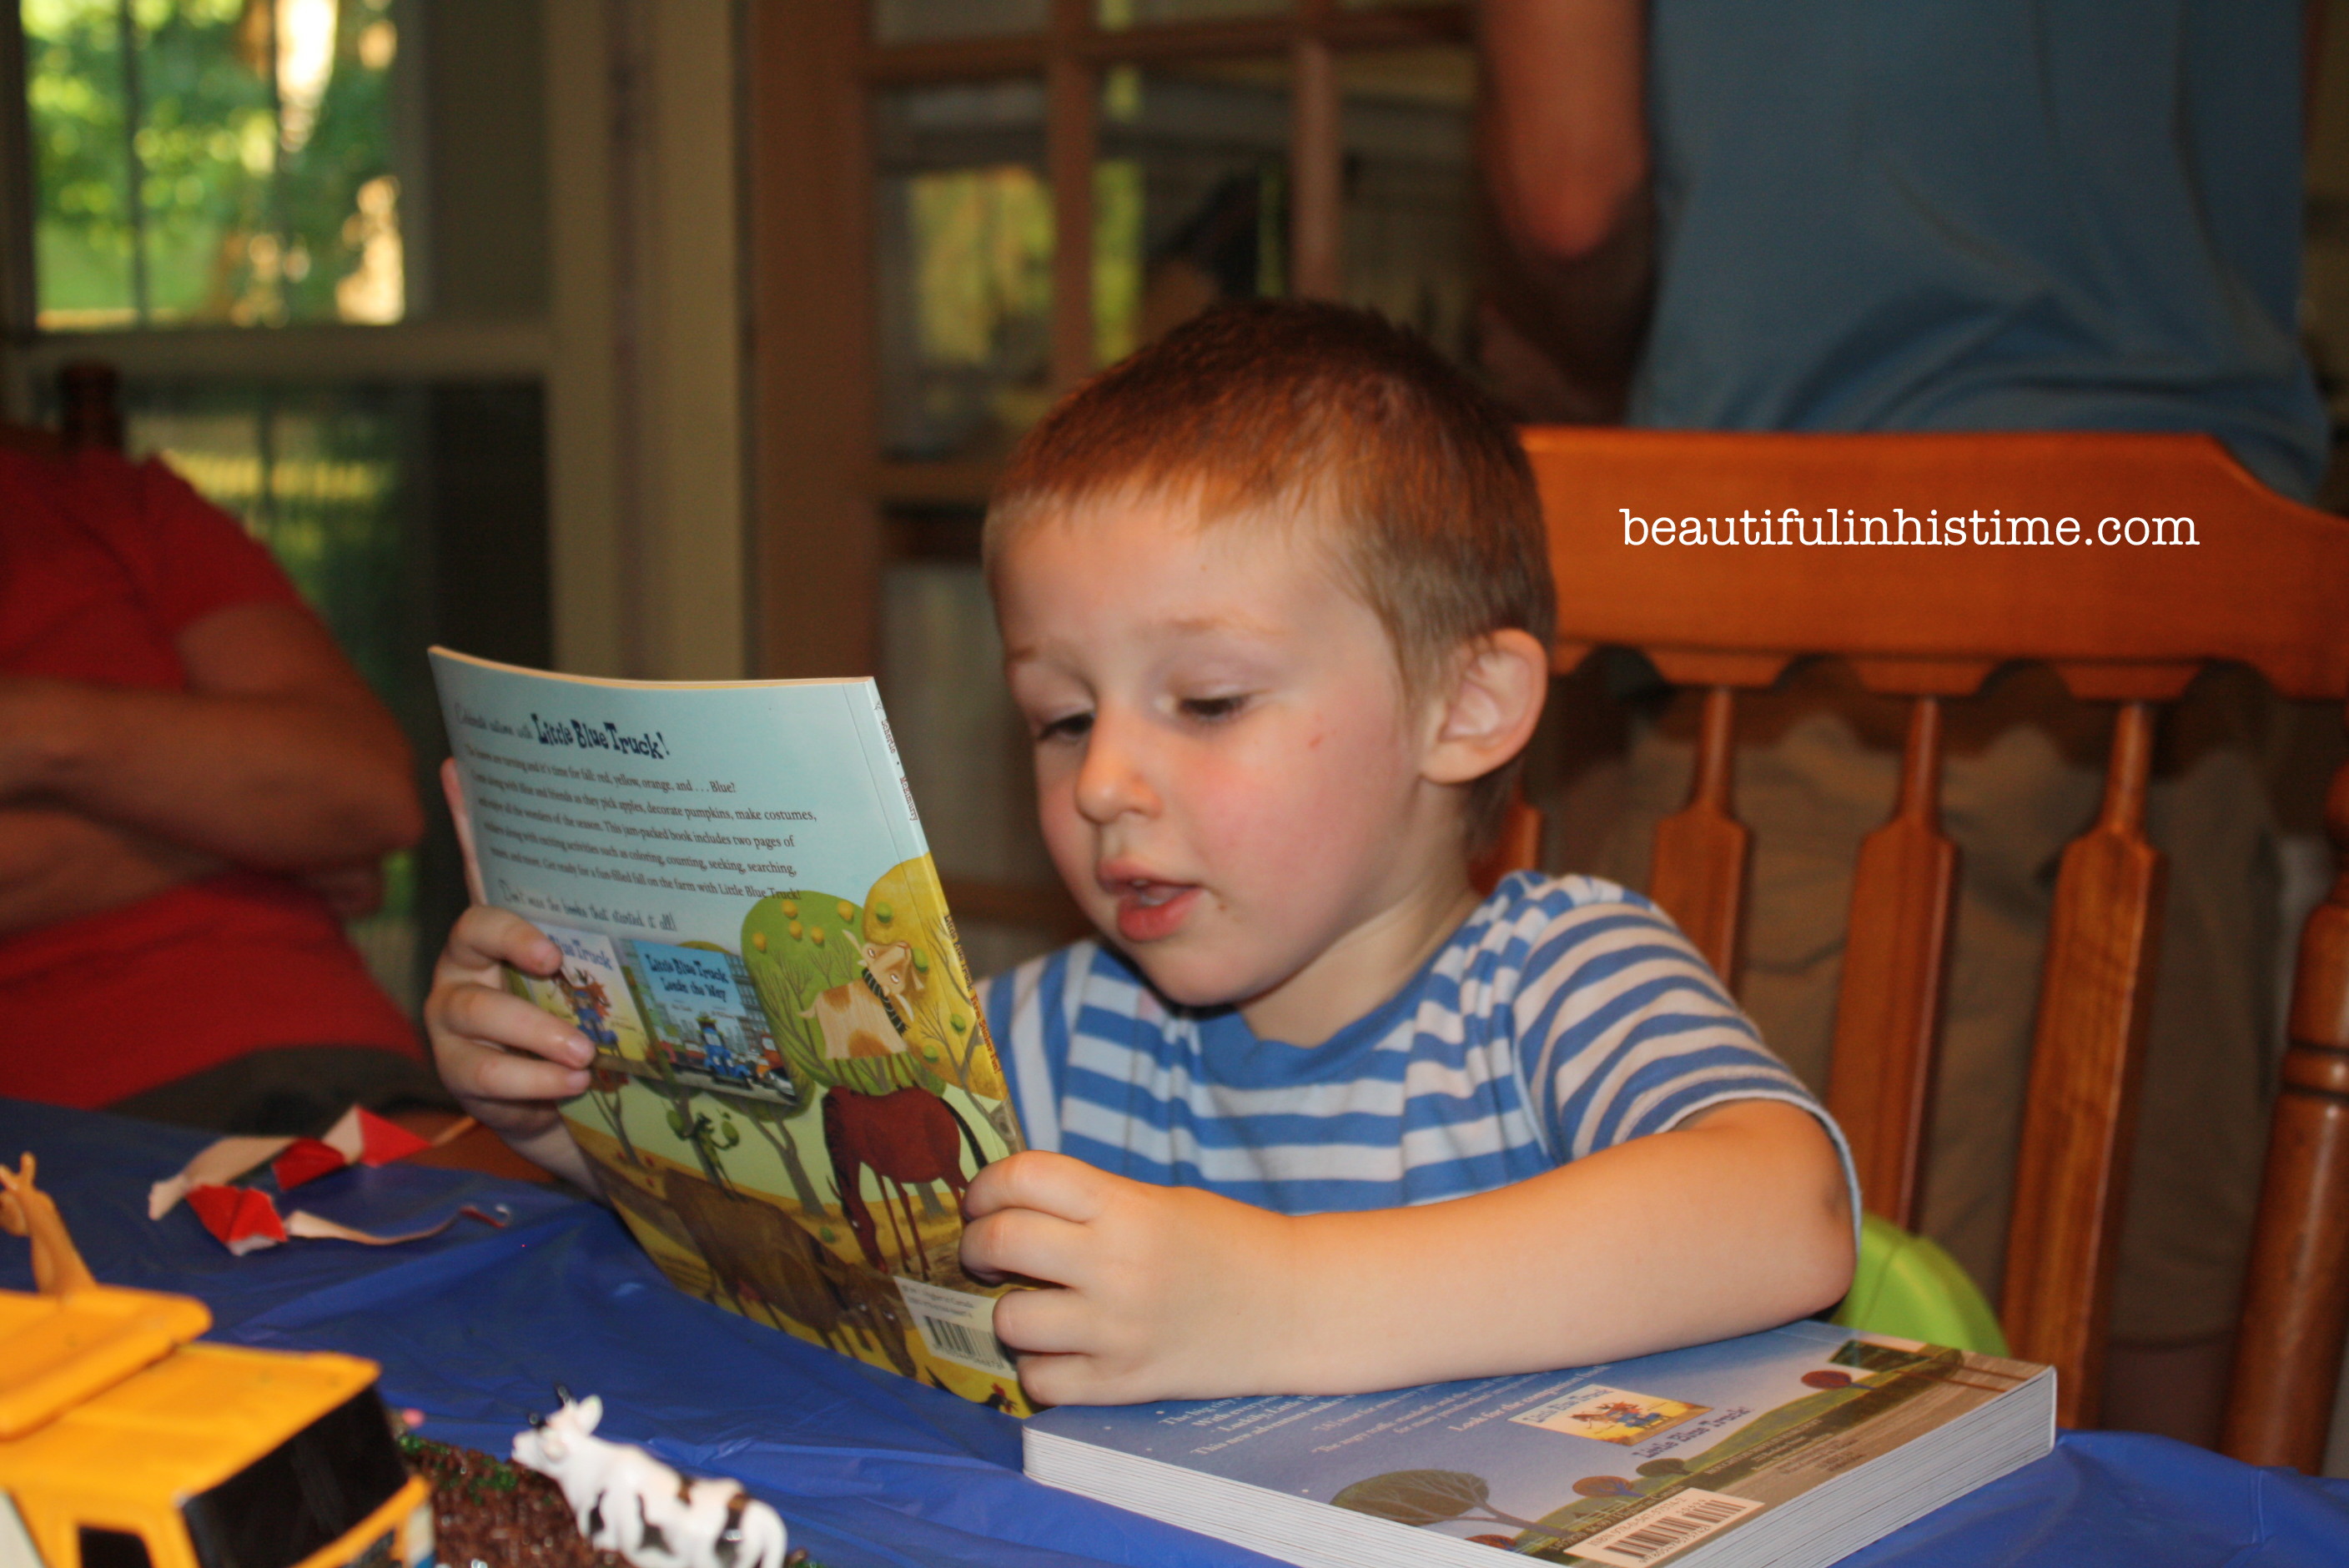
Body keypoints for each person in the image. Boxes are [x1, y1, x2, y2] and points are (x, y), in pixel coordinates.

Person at [426, 301, 1857, 1405]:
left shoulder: (1554, 975)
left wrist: (1277, 1301)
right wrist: (577, 1118)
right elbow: (827, 1231)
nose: (1104, 780)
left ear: (1463, 709)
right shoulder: (1056, 1036)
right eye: (1059, 720)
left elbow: (1784, 1215)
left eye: (1210, 703)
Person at [1477, 0, 2327, 1443]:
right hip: (2203, 567)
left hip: (1830, 602)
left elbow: (1572, 192)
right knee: (2152, 1320)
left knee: (1774, 1395)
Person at [0, 440, 434, 1131]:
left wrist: (41, 732)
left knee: (545, 1227)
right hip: (61, 1119)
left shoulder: (111, 500)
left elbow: (366, 791)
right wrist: (260, 831)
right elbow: (329, 804)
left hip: (336, 1062)